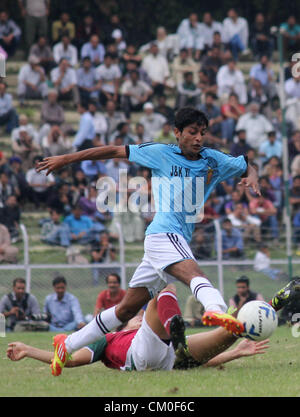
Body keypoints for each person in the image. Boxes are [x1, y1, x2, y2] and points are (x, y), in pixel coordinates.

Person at [36, 106, 260, 372]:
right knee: (193, 273)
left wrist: (252, 176)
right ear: (177, 133)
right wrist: (66, 159)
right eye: (192, 132)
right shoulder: (160, 153)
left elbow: (247, 164)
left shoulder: (213, 160)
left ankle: (68, 344)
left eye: (202, 133)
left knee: (125, 311)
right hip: (164, 233)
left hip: (169, 240)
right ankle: (217, 308)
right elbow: (113, 150)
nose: (199, 138)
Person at [20, 282, 300, 374]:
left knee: (231, 331)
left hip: (170, 360)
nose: (138, 316)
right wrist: (28, 349)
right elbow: (67, 358)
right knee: (163, 285)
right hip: (140, 356)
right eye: (135, 316)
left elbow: (199, 363)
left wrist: (236, 353)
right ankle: (175, 330)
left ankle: (275, 303)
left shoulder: (142, 331)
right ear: (127, 322)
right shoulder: (105, 338)